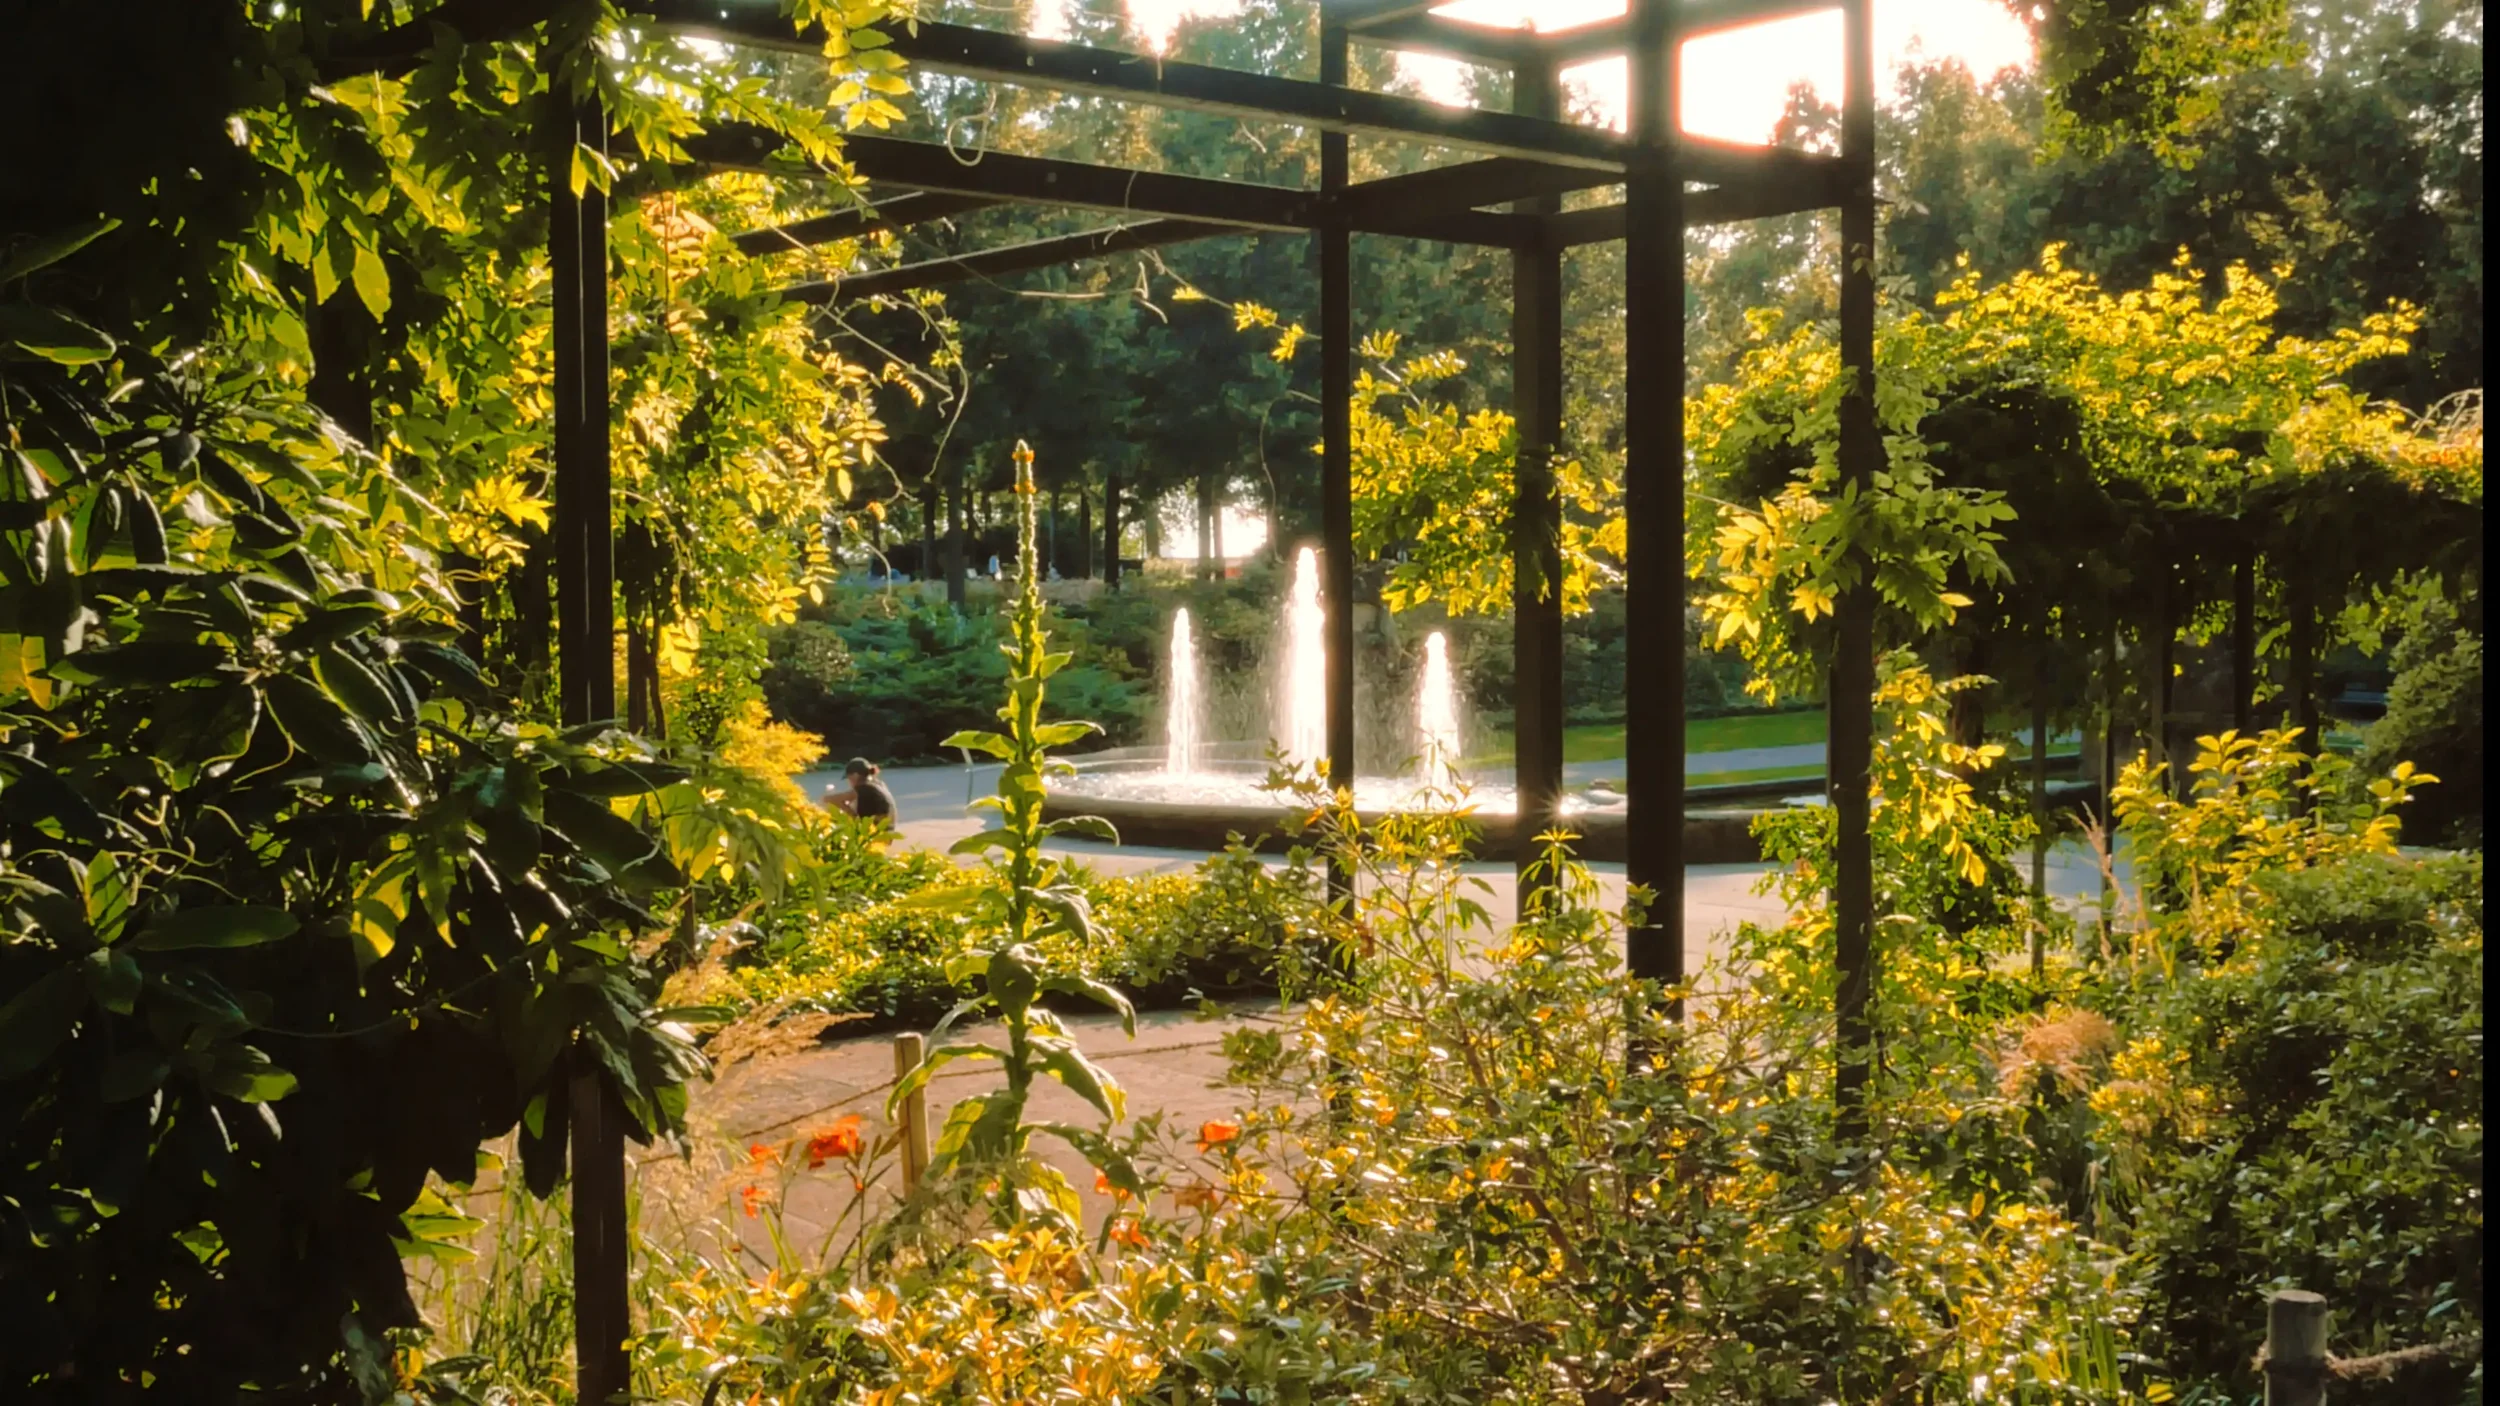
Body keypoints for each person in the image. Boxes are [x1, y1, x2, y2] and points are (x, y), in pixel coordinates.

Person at [830, 756, 897, 825]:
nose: (849, 782)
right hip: (888, 830)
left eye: (849, 778)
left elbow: (831, 800)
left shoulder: (864, 788)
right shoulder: (879, 785)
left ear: (855, 775)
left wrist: (849, 812)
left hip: (876, 832)